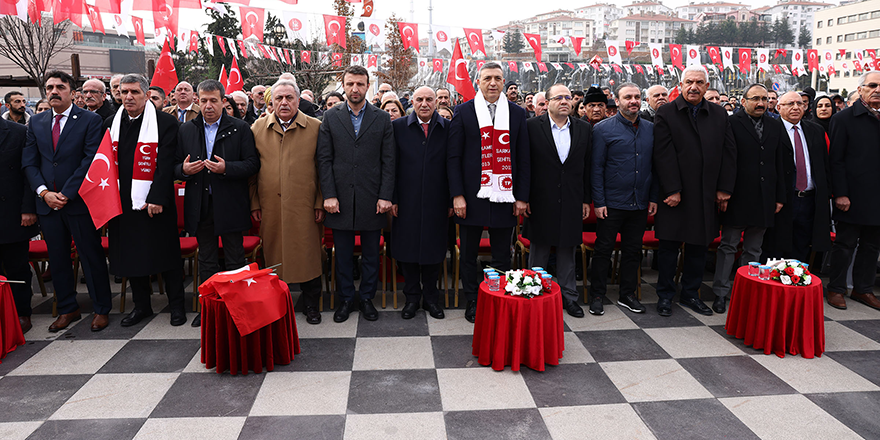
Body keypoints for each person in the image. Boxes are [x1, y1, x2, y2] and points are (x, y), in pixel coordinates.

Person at [22, 70, 113, 332]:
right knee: (58, 258)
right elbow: (30, 162)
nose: (53, 91)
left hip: (78, 202)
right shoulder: (36, 122)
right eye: (49, 87)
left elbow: (90, 160)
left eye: (59, 87)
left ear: (72, 92)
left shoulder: (89, 121)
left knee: (90, 255)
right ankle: (67, 308)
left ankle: (101, 308)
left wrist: (66, 193)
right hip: (47, 204)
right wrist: (43, 193)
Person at [448, 61, 530, 323]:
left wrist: (521, 197)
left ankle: (498, 298)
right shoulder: (463, 112)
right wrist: (457, 194)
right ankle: (472, 300)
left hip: (505, 196)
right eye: (487, 79)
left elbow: (524, 158)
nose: (492, 83)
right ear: (478, 83)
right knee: (469, 253)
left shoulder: (517, 114)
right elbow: (454, 157)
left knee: (501, 254)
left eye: (497, 78)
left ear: (503, 81)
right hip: (472, 196)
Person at [653, 65, 736, 317]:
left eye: (699, 82)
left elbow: (729, 153)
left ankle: (690, 294)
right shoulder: (667, 112)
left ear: (707, 87)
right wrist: (672, 189)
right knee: (669, 248)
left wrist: (724, 188)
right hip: (675, 195)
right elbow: (662, 155)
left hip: (706, 193)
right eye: (689, 81)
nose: (694, 87)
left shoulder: (719, 114)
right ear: (680, 84)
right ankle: (665, 296)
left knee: (699, 247)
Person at [175, 80, 260, 326]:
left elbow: (252, 164)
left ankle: (238, 307)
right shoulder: (186, 130)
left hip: (230, 202)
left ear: (224, 101)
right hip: (200, 203)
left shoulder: (240, 128)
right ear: (196, 101)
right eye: (203, 100)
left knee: (235, 257)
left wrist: (227, 168)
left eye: (214, 100)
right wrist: (184, 169)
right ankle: (209, 308)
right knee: (207, 259)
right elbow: (173, 165)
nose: (208, 106)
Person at [106, 74, 187, 327]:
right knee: (131, 257)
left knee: (166, 255)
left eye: (134, 92)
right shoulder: (111, 123)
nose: (128, 97)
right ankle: (142, 306)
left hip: (155, 202)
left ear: (145, 94)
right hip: (122, 203)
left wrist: (157, 197)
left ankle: (177, 307)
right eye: (123, 92)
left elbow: (166, 164)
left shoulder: (164, 122)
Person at [317, 65, 395, 323]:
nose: (355, 89)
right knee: (343, 255)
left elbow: (388, 160)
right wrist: (329, 194)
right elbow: (324, 159)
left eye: (360, 84)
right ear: (344, 84)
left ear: (367, 85)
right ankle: (347, 299)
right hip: (338, 199)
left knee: (372, 254)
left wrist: (385, 195)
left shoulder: (382, 118)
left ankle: (367, 298)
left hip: (372, 199)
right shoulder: (331, 116)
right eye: (350, 84)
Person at [251, 79, 325, 325]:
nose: (284, 102)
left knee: (309, 254)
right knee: (273, 256)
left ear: (298, 100)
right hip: (270, 205)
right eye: (279, 98)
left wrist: (319, 202)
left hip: (304, 205)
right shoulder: (257, 129)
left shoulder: (315, 127)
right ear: (271, 101)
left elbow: (323, 169)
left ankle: (311, 304)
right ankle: (276, 304)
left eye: (289, 98)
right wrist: (254, 204)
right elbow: (252, 173)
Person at [712, 84, 786, 314]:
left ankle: (746, 291)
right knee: (728, 246)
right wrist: (723, 191)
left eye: (764, 98)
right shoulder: (731, 123)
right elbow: (723, 159)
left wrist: (780, 197)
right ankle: (721, 294)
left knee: (754, 249)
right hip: (737, 195)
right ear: (743, 101)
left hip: (765, 197)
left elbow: (780, 163)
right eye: (755, 98)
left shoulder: (775, 124)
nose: (761, 103)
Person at [590, 83, 656, 316]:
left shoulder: (651, 128)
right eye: (627, 97)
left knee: (632, 251)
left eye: (637, 97)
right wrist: (599, 202)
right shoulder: (602, 129)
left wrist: (653, 197)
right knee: (603, 250)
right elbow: (596, 169)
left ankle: (627, 295)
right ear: (616, 101)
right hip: (611, 203)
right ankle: (597, 294)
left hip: (639, 202)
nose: (633, 101)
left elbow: (654, 167)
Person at [526, 83, 591, 318]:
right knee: (539, 250)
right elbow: (525, 166)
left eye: (568, 97)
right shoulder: (531, 127)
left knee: (567, 250)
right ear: (548, 102)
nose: (565, 101)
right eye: (559, 98)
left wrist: (586, 199)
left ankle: (569, 297)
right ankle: (534, 293)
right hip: (540, 199)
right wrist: (524, 198)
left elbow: (587, 167)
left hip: (572, 199)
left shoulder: (584, 129)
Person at [390, 86, 449, 320]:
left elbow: (452, 164)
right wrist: (392, 197)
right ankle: (412, 298)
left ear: (437, 102)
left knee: (434, 250)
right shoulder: (398, 128)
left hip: (438, 199)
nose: (424, 104)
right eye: (419, 99)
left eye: (429, 99)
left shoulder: (447, 127)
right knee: (408, 249)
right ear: (411, 102)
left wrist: (453, 196)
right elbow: (390, 165)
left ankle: (432, 299)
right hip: (406, 199)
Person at [826, 71, 880, 311]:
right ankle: (836, 288)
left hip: (877, 197)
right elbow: (835, 160)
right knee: (845, 245)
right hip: (852, 196)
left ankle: (863, 289)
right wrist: (840, 193)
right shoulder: (844, 119)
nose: (877, 90)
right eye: (872, 85)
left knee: (871, 246)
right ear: (861, 90)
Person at [763, 91, 832, 264]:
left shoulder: (815, 130)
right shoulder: (770, 129)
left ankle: (796, 285)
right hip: (782, 200)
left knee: (801, 248)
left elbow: (824, 165)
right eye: (790, 104)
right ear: (779, 107)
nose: (796, 107)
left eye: (800, 103)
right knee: (775, 248)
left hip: (809, 200)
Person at [0, 104, 39, 333]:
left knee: (17, 266)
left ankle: (22, 312)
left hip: (13, 213)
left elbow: (29, 173)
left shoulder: (17, 132)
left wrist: (28, 208)